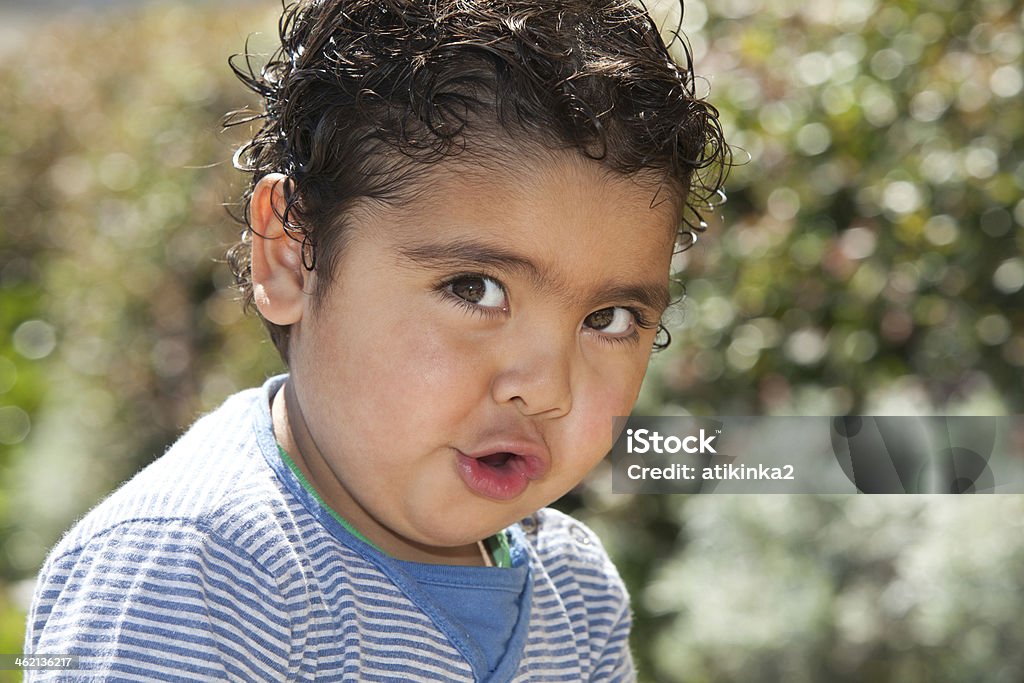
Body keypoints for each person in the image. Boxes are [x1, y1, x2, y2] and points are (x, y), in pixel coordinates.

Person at [25, 0, 726, 679]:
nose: (545, 387)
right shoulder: (192, 570)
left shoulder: (575, 592)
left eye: (608, 319)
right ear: (291, 252)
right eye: (474, 288)